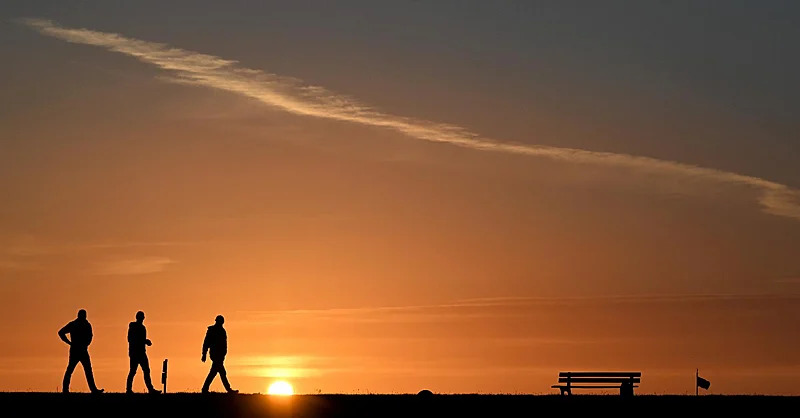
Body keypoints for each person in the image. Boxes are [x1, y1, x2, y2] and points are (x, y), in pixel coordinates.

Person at [58, 309, 104, 393]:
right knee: (71, 370)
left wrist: (85, 344)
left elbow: (90, 336)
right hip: (77, 350)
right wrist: (69, 342)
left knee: (86, 370)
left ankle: (93, 389)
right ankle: (65, 390)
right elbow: (61, 332)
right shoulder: (75, 324)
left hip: (81, 350)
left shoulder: (85, 325)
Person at [201, 315, 238, 393]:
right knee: (221, 372)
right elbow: (206, 343)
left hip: (220, 355)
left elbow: (224, 344)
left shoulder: (222, 331)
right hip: (215, 355)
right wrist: (204, 354)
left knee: (214, 372)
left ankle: (205, 388)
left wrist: (224, 354)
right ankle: (228, 389)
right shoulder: (212, 330)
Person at [126, 311, 161, 394]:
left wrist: (145, 341)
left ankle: (150, 389)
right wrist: (145, 341)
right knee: (133, 371)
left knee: (145, 371)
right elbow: (131, 339)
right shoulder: (134, 327)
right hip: (135, 353)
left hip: (141, 352)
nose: (142, 319)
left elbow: (135, 339)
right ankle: (129, 389)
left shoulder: (142, 328)